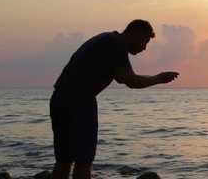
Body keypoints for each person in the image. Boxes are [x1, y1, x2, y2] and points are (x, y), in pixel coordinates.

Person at [49, 19, 179, 179]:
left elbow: (124, 78)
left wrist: (156, 78)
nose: (144, 48)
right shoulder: (115, 45)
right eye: (145, 42)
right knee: (83, 161)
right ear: (137, 33)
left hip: (60, 99)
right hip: (80, 102)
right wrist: (159, 78)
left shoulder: (107, 39)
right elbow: (131, 81)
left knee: (64, 159)